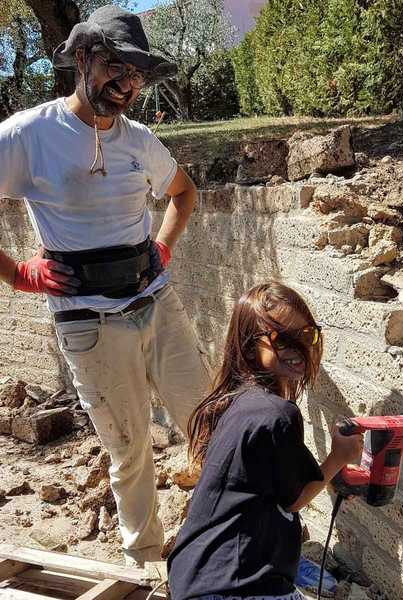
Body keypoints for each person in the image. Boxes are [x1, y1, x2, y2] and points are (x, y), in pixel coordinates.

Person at [0, 6, 209, 566]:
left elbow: (182, 192)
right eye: (115, 66)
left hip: (155, 299)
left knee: (209, 418)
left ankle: (215, 537)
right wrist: (20, 274)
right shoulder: (28, 135)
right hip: (88, 320)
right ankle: (145, 560)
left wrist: (161, 248)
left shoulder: (138, 139)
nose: (127, 83)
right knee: (130, 448)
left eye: (137, 74)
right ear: (84, 60)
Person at [167, 282, 363, 600]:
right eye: (282, 339)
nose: (299, 347)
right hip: (236, 588)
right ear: (249, 347)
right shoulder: (278, 414)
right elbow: (295, 500)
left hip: (193, 572)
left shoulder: (234, 402)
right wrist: (339, 456)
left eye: (307, 334)